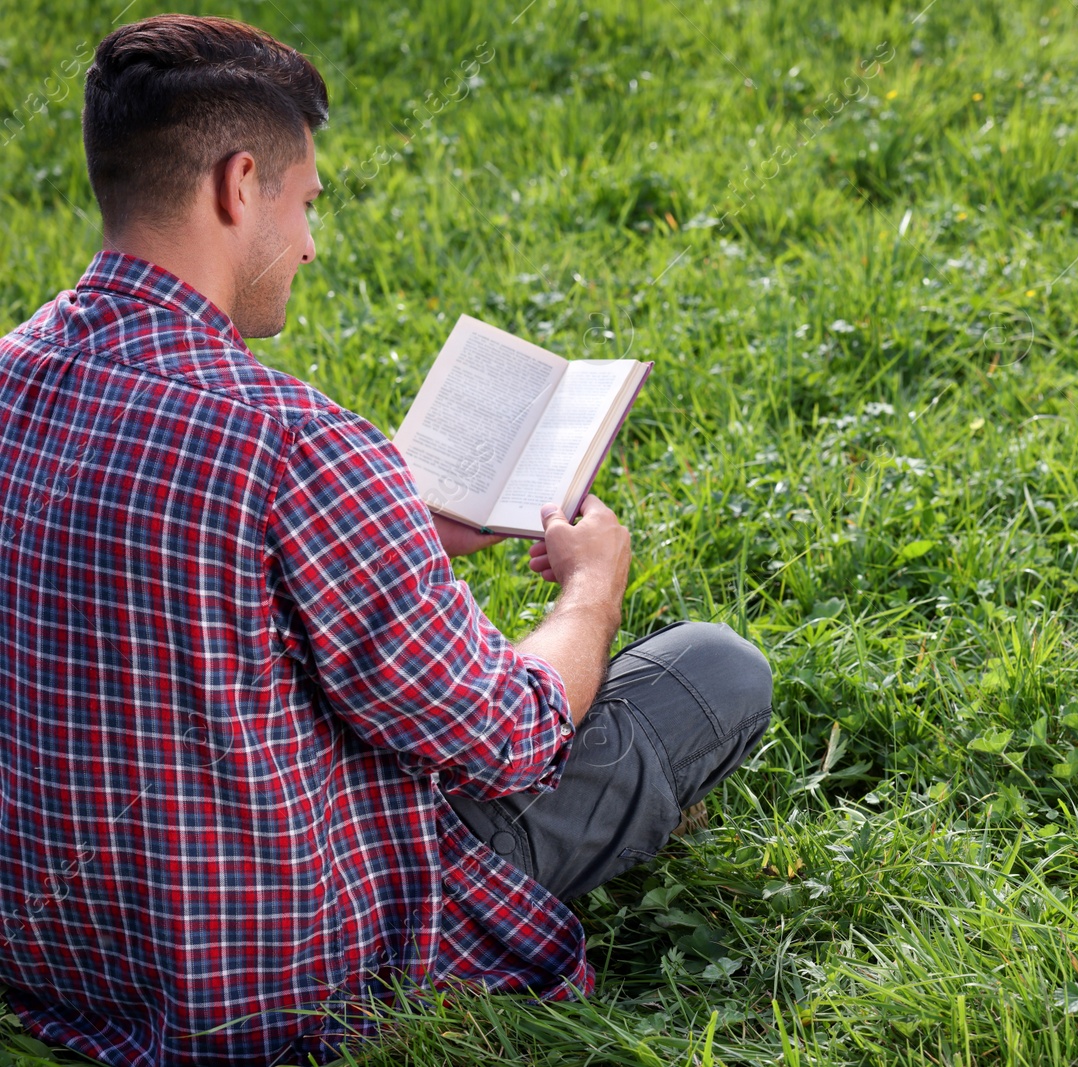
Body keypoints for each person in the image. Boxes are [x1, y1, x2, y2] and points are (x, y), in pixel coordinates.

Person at [0, 14, 771, 1067]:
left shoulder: (13, 375)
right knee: (716, 670)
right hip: (269, 971)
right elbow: (508, 733)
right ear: (238, 186)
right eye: (305, 200)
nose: (310, 241)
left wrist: (393, 532)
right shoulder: (290, 441)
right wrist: (591, 590)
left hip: (45, 945)